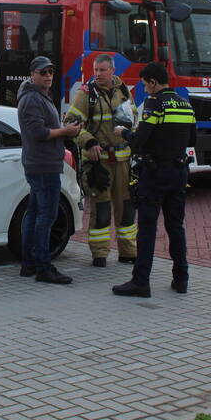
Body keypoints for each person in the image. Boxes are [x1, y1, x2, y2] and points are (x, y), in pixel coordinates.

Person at [111, 62, 196, 297]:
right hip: (179, 173)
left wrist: (123, 132)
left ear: (153, 82)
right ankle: (181, 279)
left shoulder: (155, 103)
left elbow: (140, 140)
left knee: (147, 229)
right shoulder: (185, 104)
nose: (145, 89)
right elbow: (192, 140)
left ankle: (141, 282)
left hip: (155, 173)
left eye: (145, 84)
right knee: (175, 227)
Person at [64, 54, 137, 267]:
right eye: (95, 70)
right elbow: (72, 123)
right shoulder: (86, 94)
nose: (98, 74)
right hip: (99, 163)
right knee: (101, 210)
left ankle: (128, 252)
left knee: (127, 209)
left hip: (123, 160)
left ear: (112, 71)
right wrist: (88, 142)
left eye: (103, 70)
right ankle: (99, 254)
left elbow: (133, 120)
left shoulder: (124, 92)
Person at [16, 55, 81, 285]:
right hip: (43, 166)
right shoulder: (31, 99)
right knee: (47, 215)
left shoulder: (40, 96)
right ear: (32, 75)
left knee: (35, 214)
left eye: (51, 72)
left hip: (42, 163)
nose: (48, 76)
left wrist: (62, 127)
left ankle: (30, 264)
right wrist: (65, 132)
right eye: (43, 72)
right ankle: (43, 267)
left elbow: (44, 129)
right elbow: (40, 133)